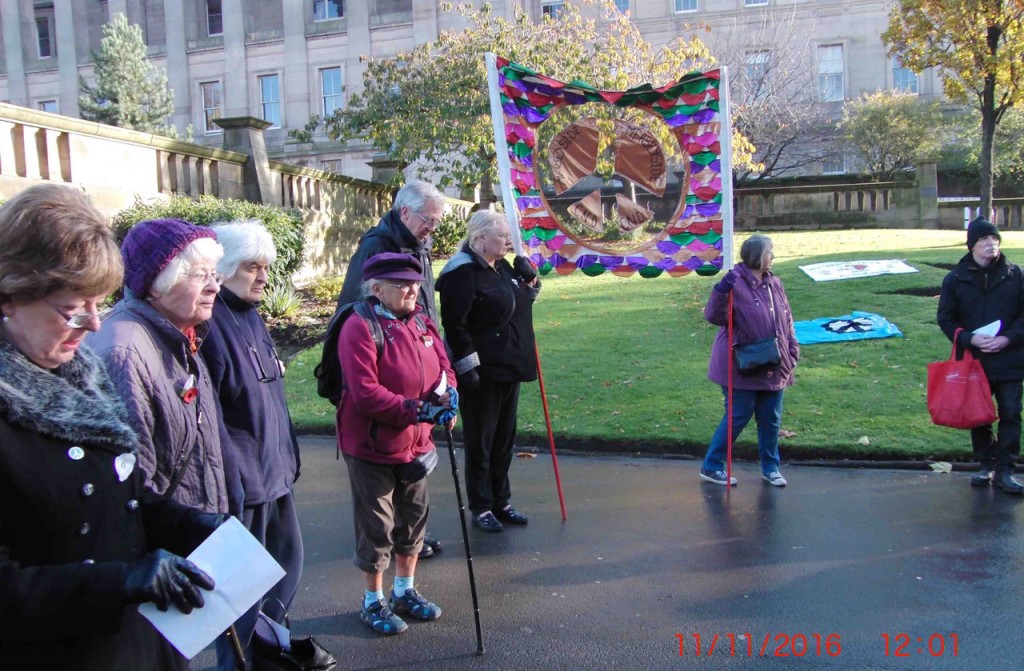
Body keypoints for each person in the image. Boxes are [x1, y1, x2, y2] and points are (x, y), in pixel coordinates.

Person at [0, 184, 220, 670]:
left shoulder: (82, 377)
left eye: (100, 303)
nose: (95, 324)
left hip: (138, 644)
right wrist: (119, 580)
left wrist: (190, 523)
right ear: (9, 297)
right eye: (74, 308)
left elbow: (122, 492)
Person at [204, 222, 335, 670]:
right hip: (242, 489)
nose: (263, 277)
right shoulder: (208, 325)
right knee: (239, 606)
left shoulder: (251, 313)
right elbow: (211, 421)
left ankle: (270, 650)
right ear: (221, 270)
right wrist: (230, 485)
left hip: (276, 475)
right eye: (251, 267)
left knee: (283, 576)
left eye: (265, 267)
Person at [337, 252, 457, 636]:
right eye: (402, 284)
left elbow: (444, 365)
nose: (412, 289)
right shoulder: (360, 327)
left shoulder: (422, 321)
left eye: (415, 282)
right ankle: (373, 600)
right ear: (376, 288)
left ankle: (405, 591)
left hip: (417, 444)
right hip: (373, 446)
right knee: (377, 526)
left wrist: (449, 396)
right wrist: (420, 409)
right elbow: (365, 393)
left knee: (414, 519)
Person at [336, 179, 446, 559]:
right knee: (382, 473)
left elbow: (424, 310)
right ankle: (389, 552)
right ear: (404, 212)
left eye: (437, 221)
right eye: (428, 220)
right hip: (383, 376)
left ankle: (409, 539)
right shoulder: (378, 245)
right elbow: (357, 311)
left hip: (416, 350)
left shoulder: (418, 244)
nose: (433, 228)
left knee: (412, 470)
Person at [88, 218, 228, 513]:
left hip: (195, 533)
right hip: (166, 547)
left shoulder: (183, 334)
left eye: (214, 274)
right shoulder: (124, 353)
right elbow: (134, 486)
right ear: (154, 284)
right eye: (200, 275)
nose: (214, 287)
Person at [436, 210, 540, 532]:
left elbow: (521, 304)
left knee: (503, 440)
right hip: (482, 375)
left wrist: (531, 280)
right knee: (481, 441)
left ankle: (500, 500)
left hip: (509, 366)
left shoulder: (502, 267)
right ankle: (481, 506)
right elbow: (456, 327)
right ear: (480, 239)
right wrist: (468, 369)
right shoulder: (461, 274)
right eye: (502, 235)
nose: (509, 241)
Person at [699, 234, 799, 487]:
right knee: (737, 416)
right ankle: (712, 466)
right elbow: (714, 317)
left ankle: (771, 468)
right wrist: (721, 291)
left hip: (775, 363)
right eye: (769, 252)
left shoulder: (774, 282)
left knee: (771, 418)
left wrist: (793, 349)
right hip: (740, 364)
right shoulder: (735, 283)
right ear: (756, 255)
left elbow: (787, 319)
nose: (773, 257)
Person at [937, 217, 1024, 494]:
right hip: (975, 361)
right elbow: (946, 319)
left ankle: (1005, 470)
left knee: (1011, 413)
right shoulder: (955, 279)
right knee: (980, 415)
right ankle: (985, 465)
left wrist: (1006, 338)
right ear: (972, 245)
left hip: (1010, 357)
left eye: (995, 240)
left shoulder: (1016, 275)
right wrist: (969, 338)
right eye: (985, 240)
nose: (991, 244)